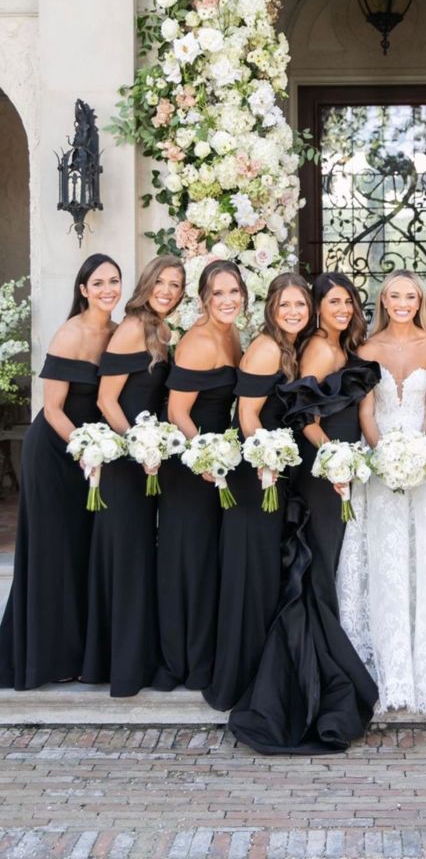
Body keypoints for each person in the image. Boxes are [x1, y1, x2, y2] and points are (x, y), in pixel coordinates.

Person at [229, 272, 379, 753]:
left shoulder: (322, 344)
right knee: (315, 570)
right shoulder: (314, 347)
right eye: (333, 301)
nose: (343, 308)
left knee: (320, 567)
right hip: (320, 471)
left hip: (320, 469)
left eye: (348, 301)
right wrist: (334, 457)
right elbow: (303, 417)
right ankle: (316, 676)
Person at [337, 271, 426, 716]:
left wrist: (421, 454)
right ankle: (385, 671)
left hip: (424, 466)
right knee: (383, 564)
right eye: (394, 295)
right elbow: (366, 409)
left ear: (421, 300)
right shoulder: (366, 348)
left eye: (411, 295)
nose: (403, 302)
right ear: (383, 300)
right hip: (379, 466)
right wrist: (383, 455)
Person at [0, 254, 122, 689]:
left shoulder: (117, 333)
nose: (108, 289)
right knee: (53, 553)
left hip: (93, 456)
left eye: (114, 281)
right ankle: (44, 658)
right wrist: (86, 449)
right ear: (83, 289)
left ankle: (78, 652)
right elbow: (51, 409)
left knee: (81, 549)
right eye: (99, 282)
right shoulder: (69, 334)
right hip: (55, 452)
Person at [203, 273, 313, 712]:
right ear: (271, 307)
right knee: (249, 574)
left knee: (264, 573)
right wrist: (264, 457)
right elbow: (246, 414)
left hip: (271, 472)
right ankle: (238, 678)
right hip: (255, 477)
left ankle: (258, 670)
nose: (293, 312)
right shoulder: (267, 348)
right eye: (285, 305)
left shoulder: (290, 346)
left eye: (301, 305)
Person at [81, 256, 185, 697]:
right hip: (125, 466)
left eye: (175, 284)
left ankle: (136, 659)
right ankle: (120, 669)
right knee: (126, 564)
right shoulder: (131, 329)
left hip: (146, 463)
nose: (167, 290)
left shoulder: (161, 330)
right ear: (146, 285)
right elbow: (107, 401)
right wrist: (139, 444)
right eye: (160, 282)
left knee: (140, 562)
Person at [153, 259, 244, 692]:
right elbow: (176, 411)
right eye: (218, 293)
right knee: (186, 561)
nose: (227, 300)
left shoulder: (233, 336)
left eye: (234, 292)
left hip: (216, 463)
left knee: (207, 562)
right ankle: (180, 657)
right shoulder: (199, 341)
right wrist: (205, 459)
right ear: (204, 298)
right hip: (191, 467)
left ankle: (203, 650)